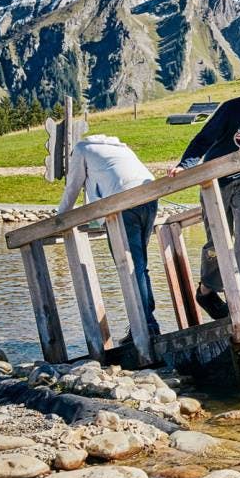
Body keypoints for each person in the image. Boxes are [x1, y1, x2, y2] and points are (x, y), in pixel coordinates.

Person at [169, 58, 240, 319]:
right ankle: (207, 290)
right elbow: (203, 139)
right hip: (216, 182)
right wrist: (185, 165)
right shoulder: (230, 110)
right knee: (217, 239)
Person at [58, 135, 160, 339]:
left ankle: (144, 327)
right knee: (141, 265)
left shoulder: (81, 149)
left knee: (130, 265)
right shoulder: (119, 147)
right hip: (150, 196)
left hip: (123, 203)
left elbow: (73, 187)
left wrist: (60, 219)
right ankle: (149, 323)